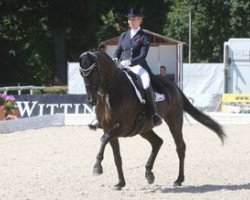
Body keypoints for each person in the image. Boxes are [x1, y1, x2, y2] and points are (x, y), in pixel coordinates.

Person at [113, 6, 162, 126]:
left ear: (140, 20)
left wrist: (130, 62)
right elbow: (118, 51)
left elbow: (143, 56)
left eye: (134, 18)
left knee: (145, 81)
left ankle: (153, 113)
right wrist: (115, 58)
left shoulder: (143, 36)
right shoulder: (123, 35)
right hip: (122, 66)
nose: (131, 21)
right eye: (130, 19)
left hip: (138, 66)